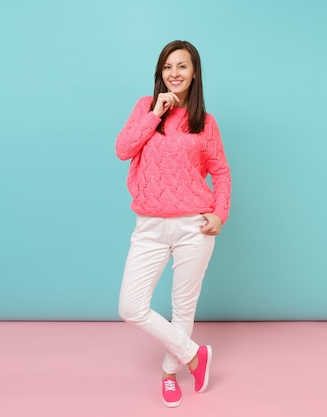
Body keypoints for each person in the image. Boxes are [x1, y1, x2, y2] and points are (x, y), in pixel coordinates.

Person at [116, 40, 231, 408]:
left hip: (192, 226)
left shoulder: (205, 123)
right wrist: (154, 113)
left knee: (183, 308)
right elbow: (123, 149)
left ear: (194, 73)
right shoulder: (144, 108)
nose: (174, 74)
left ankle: (170, 374)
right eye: (168, 67)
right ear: (159, 73)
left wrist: (220, 212)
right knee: (130, 307)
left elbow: (222, 172)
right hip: (149, 225)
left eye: (182, 66)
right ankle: (196, 357)